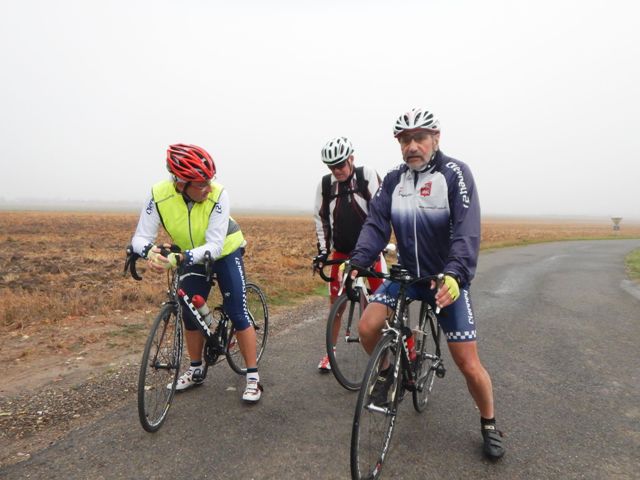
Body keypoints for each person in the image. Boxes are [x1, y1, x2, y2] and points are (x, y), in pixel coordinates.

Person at [348, 108, 505, 459]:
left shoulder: (454, 173)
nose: (412, 146)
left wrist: (456, 273)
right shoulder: (394, 180)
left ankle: (489, 423)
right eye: (405, 140)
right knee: (368, 327)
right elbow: (376, 225)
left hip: (444, 278)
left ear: (436, 138)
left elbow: (466, 230)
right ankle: (388, 373)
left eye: (419, 138)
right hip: (406, 273)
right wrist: (358, 261)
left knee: (467, 363)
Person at [131, 143, 262, 403]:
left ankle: (253, 377)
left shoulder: (218, 195)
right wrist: (150, 252)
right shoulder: (158, 195)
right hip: (191, 252)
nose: (209, 188)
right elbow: (140, 237)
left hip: (225, 250)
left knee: (237, 311)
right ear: (181, 183)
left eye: (210, 181)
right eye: (202, 183)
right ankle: (195, 369)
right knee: (188, 309)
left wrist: (182, 257)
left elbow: (215, 246)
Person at [313, 136, 385, 372]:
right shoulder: (326, 185)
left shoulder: (366, 176)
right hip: (342, 253)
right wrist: (323, 253)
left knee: (381, 301)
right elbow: (321, 219)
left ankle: (388, 344)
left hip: (370, 252)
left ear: (351, 159)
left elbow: (381, 212)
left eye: (341, 165)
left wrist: (379, 243)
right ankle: (330, 352)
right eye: (331, 167)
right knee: (336, 305)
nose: (337, 170)